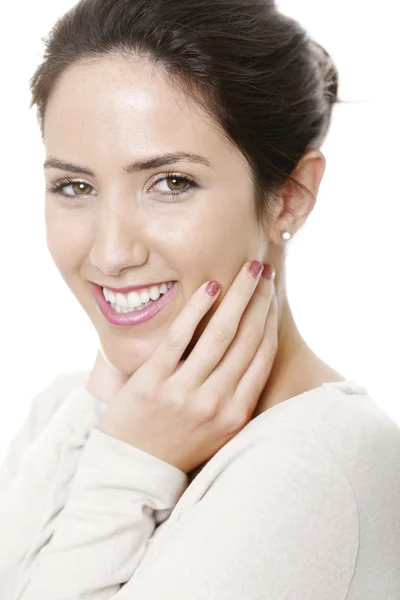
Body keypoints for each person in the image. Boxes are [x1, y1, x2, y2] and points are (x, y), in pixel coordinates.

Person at [1, 0, 399, 598]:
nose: (111, 253)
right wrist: (113, 430)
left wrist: (127, 468)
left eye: (171, 183)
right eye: (75, 186)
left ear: (289, 197)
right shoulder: (67, 413)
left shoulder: (315, 463)